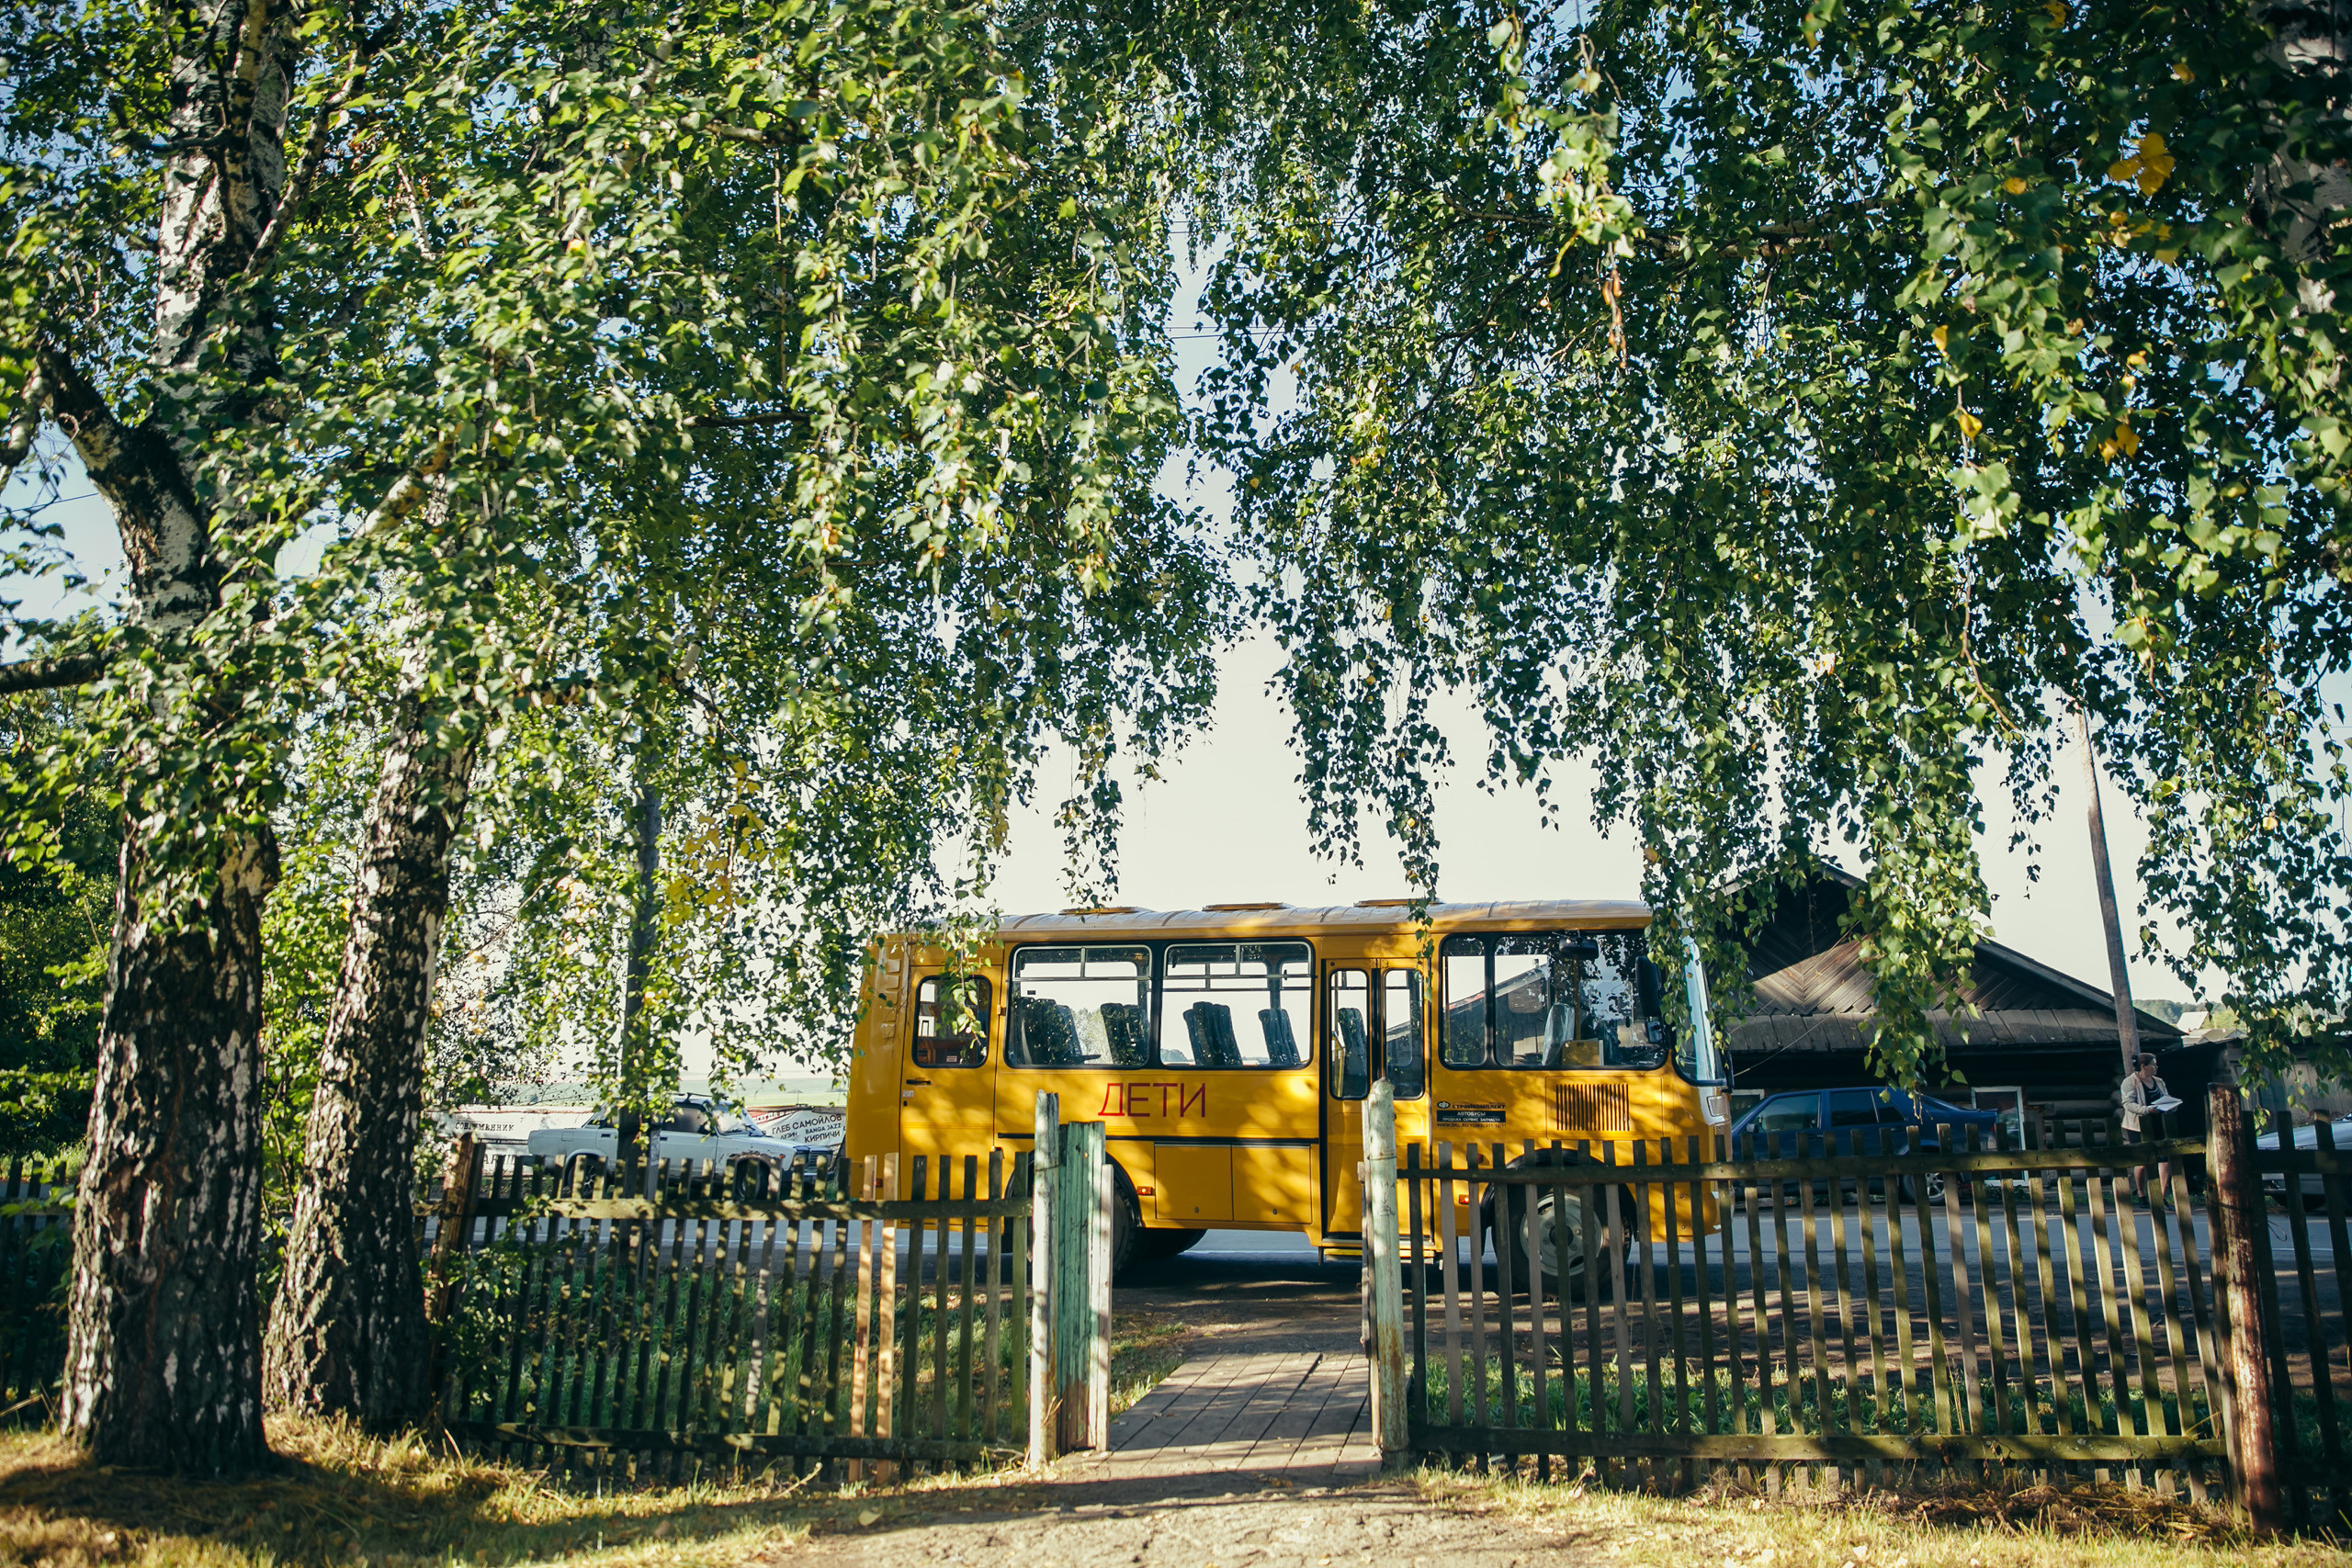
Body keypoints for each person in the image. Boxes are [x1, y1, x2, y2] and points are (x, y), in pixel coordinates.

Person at [2120, 1053, 2172, 1201]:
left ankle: (2161, 1197)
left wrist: (2170, 1106)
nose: (2156, 1067)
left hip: (2157, 1123)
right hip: (2137, 1125)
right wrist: (2147, 1110)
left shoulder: (2159, 1081)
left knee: (2163, 1159)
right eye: (2153, 1064)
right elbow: (2128, 1104)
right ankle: (2141, 1193)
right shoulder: (2129, 1082)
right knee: (2142, 1162)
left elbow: (2166, 1097)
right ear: (2144, 1066)